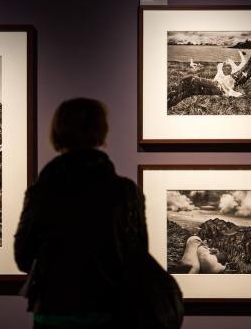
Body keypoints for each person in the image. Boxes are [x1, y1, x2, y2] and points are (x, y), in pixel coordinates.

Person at [14, 98, 151, 328]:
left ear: (57, 132)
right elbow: (138, 256)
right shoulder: (125, 191)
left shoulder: (42, 191)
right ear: (101, 131)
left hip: (55, 311)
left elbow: (24, 257)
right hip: (111, 312)